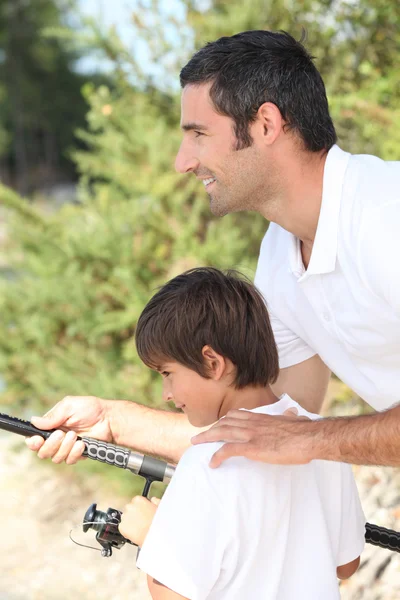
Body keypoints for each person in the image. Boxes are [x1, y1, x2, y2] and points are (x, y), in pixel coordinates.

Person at [25, 29, 400, 470]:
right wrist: (114, 421)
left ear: (265, 124)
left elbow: (293, 436)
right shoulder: (279, 255)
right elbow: (258, 430)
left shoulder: (386, 213)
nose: (182, 161)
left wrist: (311, 438)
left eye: (199, 133)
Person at [117, 267, 365, 600]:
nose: (166, 393)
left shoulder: (209, 460)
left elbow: (172, 595)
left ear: (212, 363)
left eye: (167, 373)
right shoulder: (321, 440)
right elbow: (346, 565)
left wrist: (153, 536)